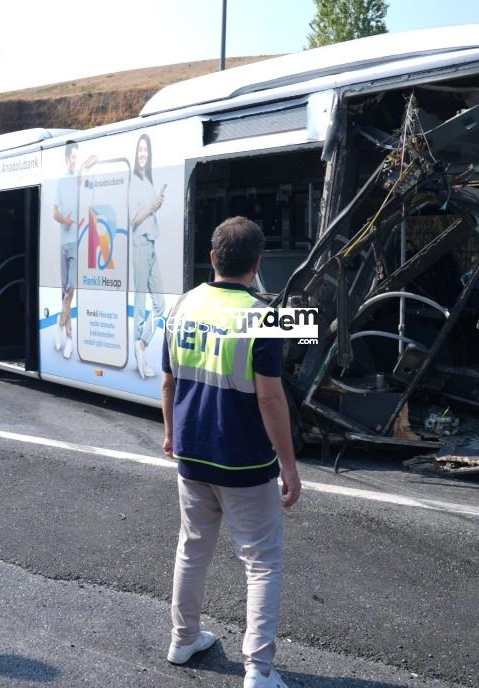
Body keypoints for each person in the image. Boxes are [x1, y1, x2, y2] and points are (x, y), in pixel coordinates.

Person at [160, 217, 300, 688]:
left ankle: (183, 640)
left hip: (193, 454)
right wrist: (289, 465)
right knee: (261, 562)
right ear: (258, 264)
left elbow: (168, 381)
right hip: (244, 462)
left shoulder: (182, 305)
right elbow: (270, 398)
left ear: (213, 257)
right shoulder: (265, 316)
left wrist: (170, 434)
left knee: (192, 547)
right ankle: (258, 671)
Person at [52, 141, 96, 360]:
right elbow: (55, 214)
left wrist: (86, 165)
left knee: (71, 289)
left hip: (77, 243)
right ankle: (69, 337)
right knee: (65, 293)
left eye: (77, 158)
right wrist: (66, 220)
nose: (75, 160)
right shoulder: (61, 181)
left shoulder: (78, 178)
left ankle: (59, 326)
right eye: (72, 157)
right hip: (64, 242)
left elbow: (84, 175)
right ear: (66, 158)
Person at [129, 133, 166, 380]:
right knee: (141, 302)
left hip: (151, 244)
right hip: (140, 245)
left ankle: (142, 343)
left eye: (146, 150)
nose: (143, 154)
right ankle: (139, 354)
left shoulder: (147, 180)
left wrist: (156, 204)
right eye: (140, 150)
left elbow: (148, 213)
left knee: (160, 305)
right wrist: (151, 207)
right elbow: (133, 220)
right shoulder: (134, 181)